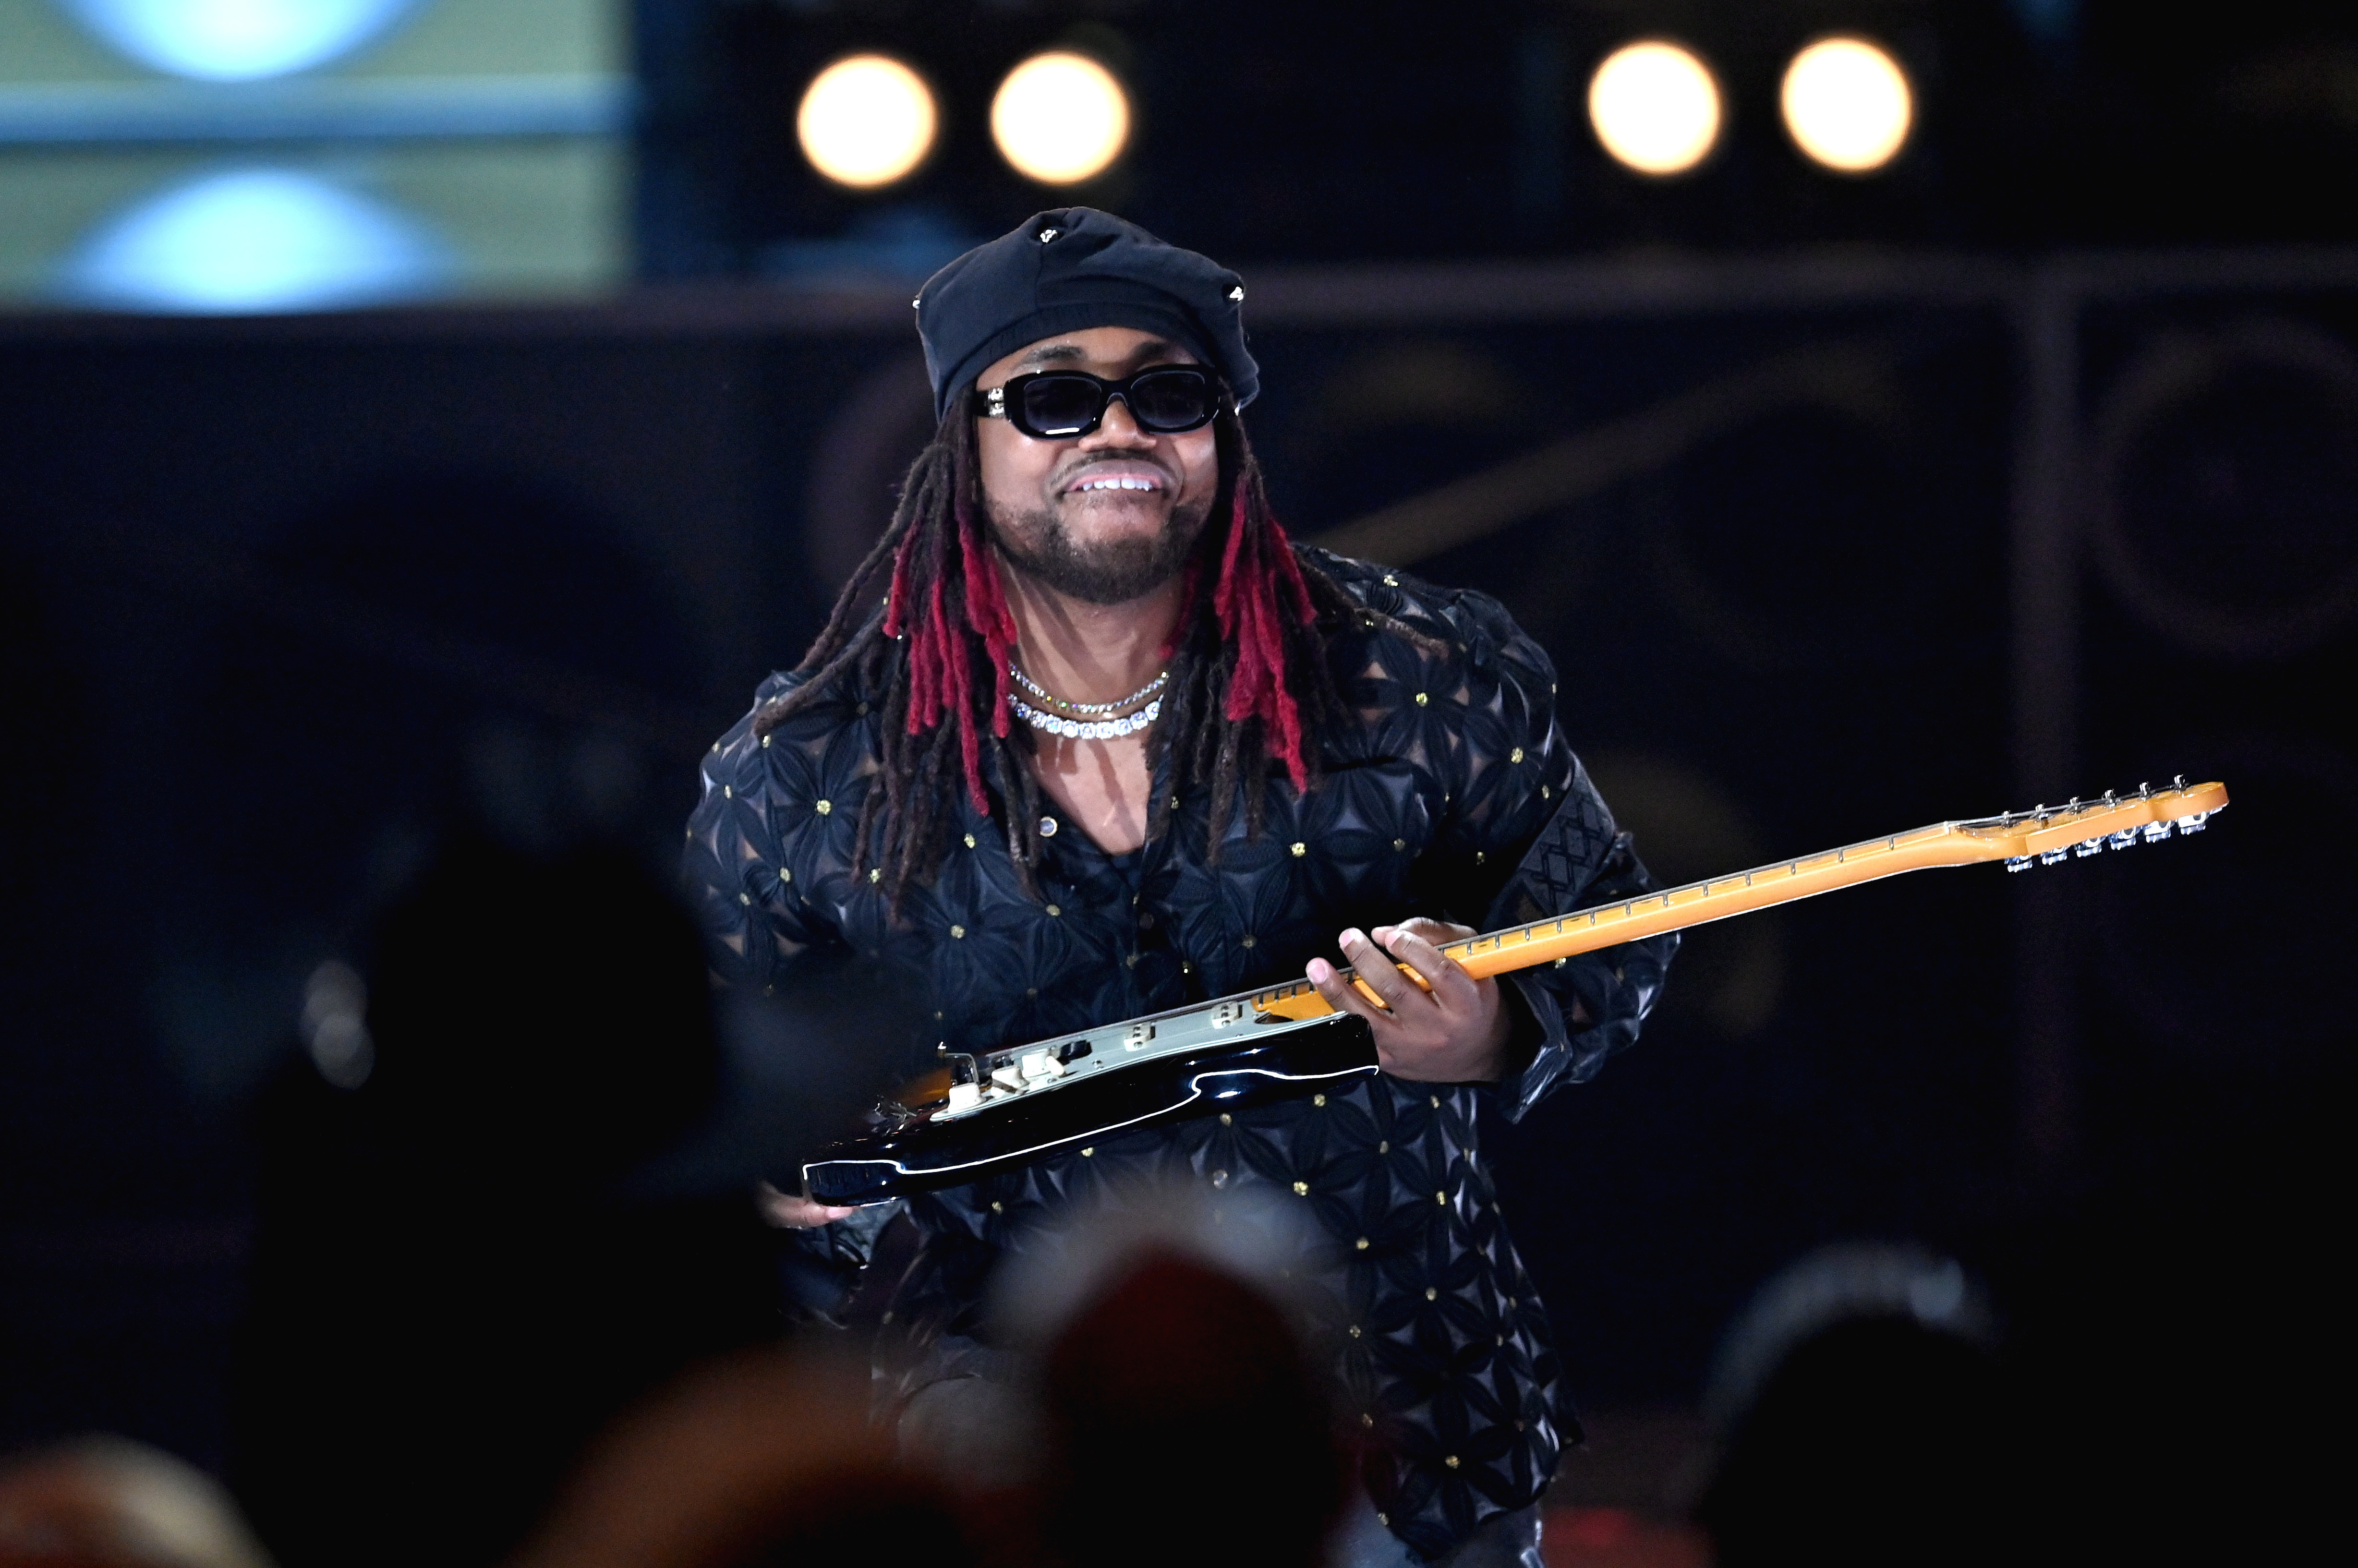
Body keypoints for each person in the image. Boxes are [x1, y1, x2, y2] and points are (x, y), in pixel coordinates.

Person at [684, 207, 1675, 1567]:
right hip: (1008, 1471)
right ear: (964, 441)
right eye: (1052, 395)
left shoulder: (1425, 680)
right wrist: (783, 1193)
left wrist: (1494, 1028)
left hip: (1408, 1439)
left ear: (1222, 430)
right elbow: (712, 1150)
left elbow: (1618, 934)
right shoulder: (800, 781)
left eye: (1168, 391)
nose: (1116, 431)